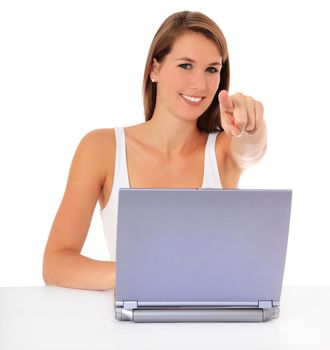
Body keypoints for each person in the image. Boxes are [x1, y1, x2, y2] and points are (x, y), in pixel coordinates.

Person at [43, 11, 267, 290]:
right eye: (186, 65)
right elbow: (56, 264)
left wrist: (251, 128)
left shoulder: (222, 150)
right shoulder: (101, 149)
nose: (199, 84)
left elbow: (251, 151)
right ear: (155, 69)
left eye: (212, 69)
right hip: (133, 325)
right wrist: (141, 272)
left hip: (212, 324)